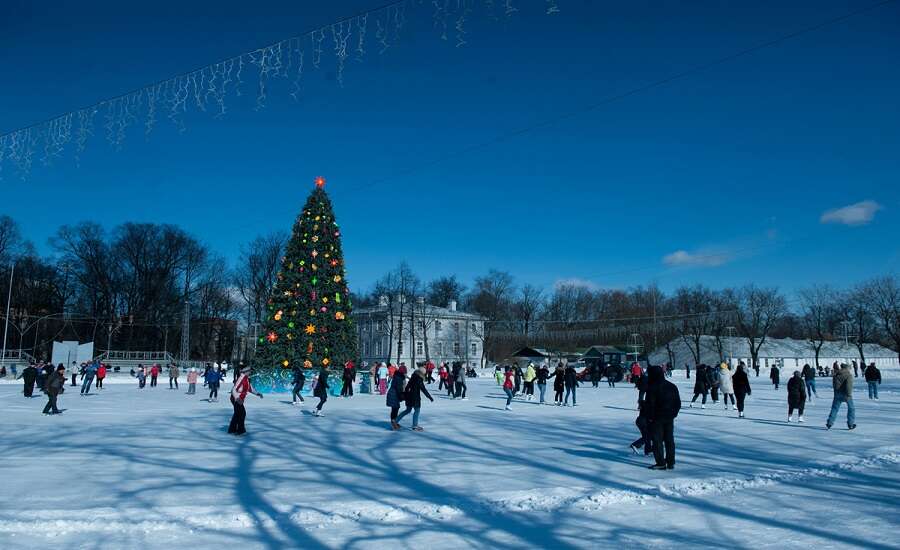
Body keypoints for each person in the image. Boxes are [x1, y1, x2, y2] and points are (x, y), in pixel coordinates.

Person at [645, 365, 680, 470]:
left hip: (657, 418)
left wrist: (650, 417)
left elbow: (650, 404)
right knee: (669, 439)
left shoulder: (652, 387)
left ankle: (661, 462)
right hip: (669, 417)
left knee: (657, 440)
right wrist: (674, 414)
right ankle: (671, 461)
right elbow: (677, 403)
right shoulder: (672, 386)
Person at [396, 364, 433, 431]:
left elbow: (407, 387)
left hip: (409, 397)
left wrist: (406, 395)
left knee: (408, 410)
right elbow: (423, 389)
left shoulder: (413, 377)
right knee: (417, 410)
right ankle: (415, 425)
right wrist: (429, 397)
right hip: (415, 397)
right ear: (422, 373)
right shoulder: (419, 379)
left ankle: (395, 421)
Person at [228, 365, 263, 435]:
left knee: (237, 414)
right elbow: (233, 390)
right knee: (242, 414)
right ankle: (240, 431)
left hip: (239, 399)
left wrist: (257, 393)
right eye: (249, 371)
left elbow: (250, 388)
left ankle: (232, 430)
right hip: (236, 399)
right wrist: (237, 399)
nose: (250, 372)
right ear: (246, 371)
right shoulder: (241, 378)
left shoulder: (246, 378)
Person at [826, 363, 856, 430]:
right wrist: (849, 394)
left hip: (837, 394)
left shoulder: (836, 374)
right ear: (847, 368)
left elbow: (834, 384)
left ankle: (829, 423)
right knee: (851, 409)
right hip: (846, 394)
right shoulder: (848, 375)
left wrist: (836, 392)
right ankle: (850, 424)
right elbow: (849, 385)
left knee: (835, 408)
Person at [630, 372, 653, 456]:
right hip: (642, 421)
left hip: (641, 420)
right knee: (648, 436)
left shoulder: (644, 380)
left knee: (648, 436)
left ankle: (648, 450)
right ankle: (635, 445)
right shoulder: (649, 403)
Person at [387, 364, 408, 429]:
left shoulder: (397, 376)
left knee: (395, 408)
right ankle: (394, 423)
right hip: (394, 394)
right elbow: (399, 389)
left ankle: (394, 422)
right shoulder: (399, 378)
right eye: (405, 372)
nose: (405, 374)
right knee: (395, 408)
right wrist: (402, 396)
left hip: (393, 393)